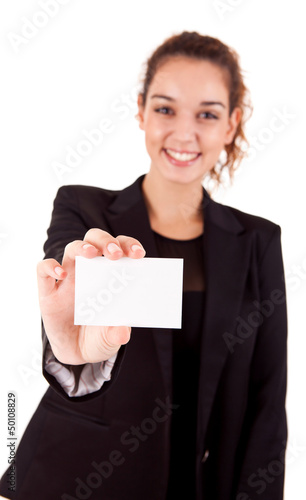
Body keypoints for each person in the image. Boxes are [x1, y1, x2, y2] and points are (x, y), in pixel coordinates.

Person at [0, 31, 288, 500]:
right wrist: (76, 353)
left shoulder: (258, 240)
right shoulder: (84, 211)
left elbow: (267, 402)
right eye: (165, 108)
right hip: (74, 476)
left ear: (232, 124)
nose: (184, 133)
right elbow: (67, 314)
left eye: (208, 114)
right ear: (140, 111)